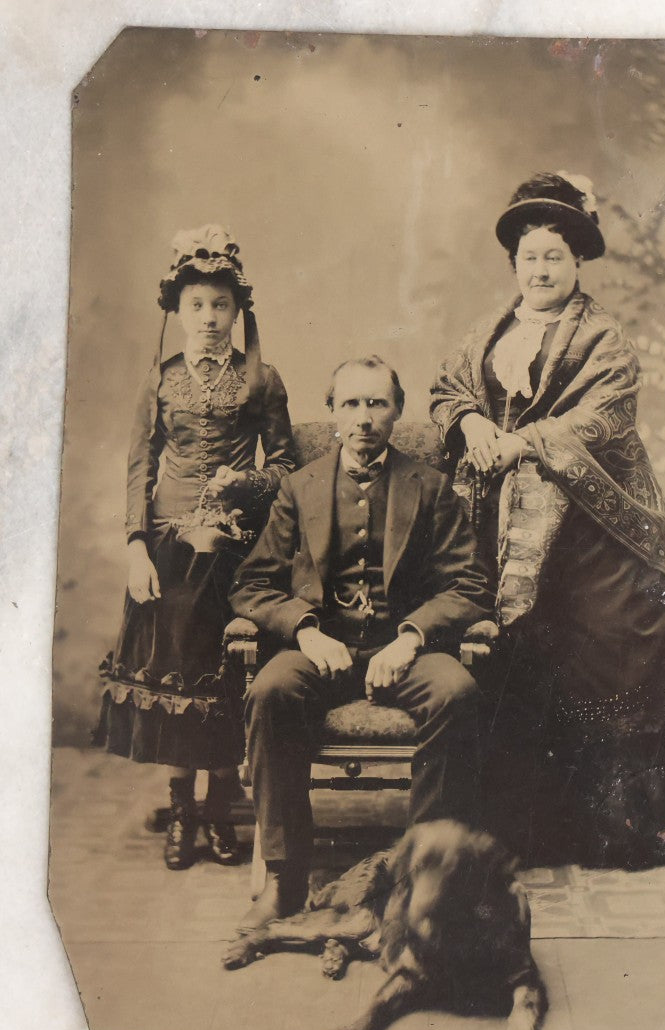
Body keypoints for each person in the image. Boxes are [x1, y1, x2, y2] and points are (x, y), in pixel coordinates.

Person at [430, 173, 665, 866]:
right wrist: (472, 420)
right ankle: (536, 824)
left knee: (613, 638)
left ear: (577, 265)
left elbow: (603, 416)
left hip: (595, 524)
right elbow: (446, 390)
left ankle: (628, 826)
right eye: (530, 257)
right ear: (514, 264)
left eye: (554, 258)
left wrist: (525, 441)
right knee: (517, 652)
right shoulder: (487, 334)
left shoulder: (604, 340)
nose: (541, 270)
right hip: (506, 524)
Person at [222, 356, 493, 959]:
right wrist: (307, 631)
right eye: (351, 404)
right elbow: (252, 583)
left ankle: (423, 871)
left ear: (397, 411)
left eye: (376, 404)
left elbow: (469, 584)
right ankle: (286, 880)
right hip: (322, 649)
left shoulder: (431, 485)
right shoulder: (301, 486)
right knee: (269, 690)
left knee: (458, 693)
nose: (364, 418)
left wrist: (411, 638)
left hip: (403, 649)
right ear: (332, 412)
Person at [97, 225, 296, 871]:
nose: (209, 319)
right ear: (178, 313)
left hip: (241, 549)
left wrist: (249, 482)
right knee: (179, 671)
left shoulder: (262, 380)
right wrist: (135, 550)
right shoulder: (160, 381)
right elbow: (138, 467)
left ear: (238, 312)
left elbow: (288, 463)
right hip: (170, 548)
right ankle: (183, 807)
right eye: (196, 306)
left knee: (228, 677)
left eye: (220, 306)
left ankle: (219, 808)